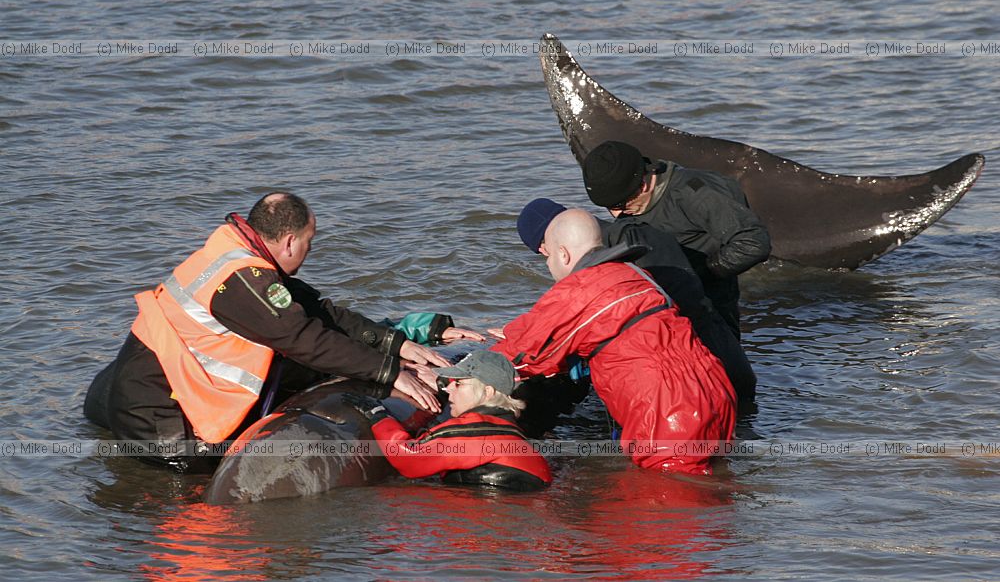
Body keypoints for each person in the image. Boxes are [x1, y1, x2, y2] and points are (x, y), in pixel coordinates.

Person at [85, 192, 482, 472]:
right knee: (192, 508)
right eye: (310, 243)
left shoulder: (237, 253)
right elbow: (305, 340)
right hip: (161, 422)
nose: (309, 252)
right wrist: (390, 373)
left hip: (152, 392)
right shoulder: (241, 280)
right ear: (290, 241)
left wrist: (398, 345)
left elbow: (323, 314)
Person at [493, 208, 736, 474]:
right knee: (716, 486)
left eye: (548, 257)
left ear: (563, 254)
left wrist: (455, 374)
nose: (549, 265)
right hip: (714, 388)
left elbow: (522, 355)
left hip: (669, 410)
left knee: (669, 498)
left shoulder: (579, 289)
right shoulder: (635, 274)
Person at [517, 198, 756, 404]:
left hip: (681, 393)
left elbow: (547, 347)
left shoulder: (596, 277)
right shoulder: (634, 245)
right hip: (721, 366)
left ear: (557, 248)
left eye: (543, 251)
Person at [581, 140, 771, 339]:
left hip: (709, 310)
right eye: (609, 207)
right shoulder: (626, 207)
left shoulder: (696, 193)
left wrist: (699, 273)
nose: (617, 213)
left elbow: (754, 241)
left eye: (621, 203)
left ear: (644, 184)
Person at [352, 350, 552, 490]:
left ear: (487, 393)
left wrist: (377, 414)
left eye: (459, 384)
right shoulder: (510, 431)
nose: (448, 390)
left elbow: (408, 458)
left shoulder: (475, 432)